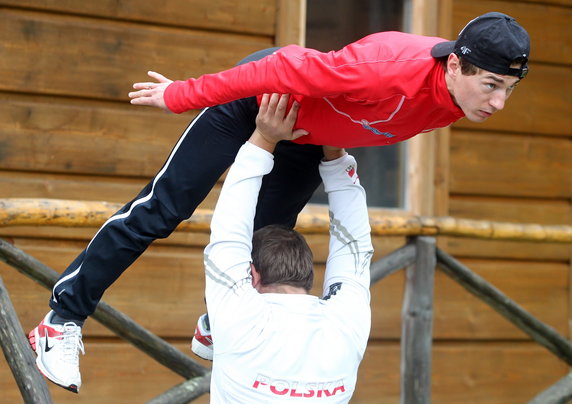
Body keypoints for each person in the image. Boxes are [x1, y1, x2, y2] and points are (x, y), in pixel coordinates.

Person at [28, 11, 530, 393]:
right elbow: (279, 65)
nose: (498, 103)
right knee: (163, 208)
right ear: (455, 63)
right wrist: (182, 95)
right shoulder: (384, 69)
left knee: (267, 240)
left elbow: (363, 122)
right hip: (261, 99)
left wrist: (331, 151)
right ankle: (62, 320)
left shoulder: (457, 101)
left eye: (507, 89)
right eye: (490, 85)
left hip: (304, 137)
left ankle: (212, 326)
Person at [204, 93, 372, 402]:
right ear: (306, 274)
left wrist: (265, 136)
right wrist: (334, 150)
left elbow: (355, 246)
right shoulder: (346, 323)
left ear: (252, 275)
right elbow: (355, 245)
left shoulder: (241, 320)